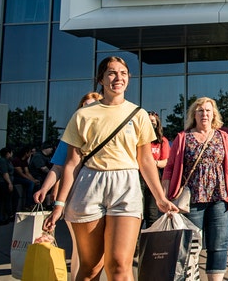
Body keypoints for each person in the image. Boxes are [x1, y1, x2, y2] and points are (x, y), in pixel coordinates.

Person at [42, 57, 178, 281]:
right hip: (90, 183)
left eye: (123, 73)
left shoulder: (139, 115)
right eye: (112, 73)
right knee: (90, 267)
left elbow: (145, 161)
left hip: (126, 185)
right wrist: (59, 205)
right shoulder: (83, 115)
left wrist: (160, 198)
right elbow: (72, 163)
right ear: (101, 79)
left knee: (119, 266)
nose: (118, 78)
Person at [162, 97, 228, 281]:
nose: (204, 114)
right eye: (200, 111)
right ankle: (189, 277)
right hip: (191, 199)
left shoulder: (224, 137)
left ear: (214, 114)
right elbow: (170, 168)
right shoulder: (183, 138)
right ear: (193, 114)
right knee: (190, 244)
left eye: (208, 110)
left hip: (220, 197)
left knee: (218, 244)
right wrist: (165, 196)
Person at [34, 91, 104, 281]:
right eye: (84, 105)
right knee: (81, 249)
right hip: (77, 197)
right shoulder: (71, 135)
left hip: (105, 194)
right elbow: (58, 166)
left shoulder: (108, 132)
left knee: (102, 251)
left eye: (92, 105)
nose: (87, 108)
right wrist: (45, 189)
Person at [143, 111, 170, 227]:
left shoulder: (162, 141)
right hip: (138, 176)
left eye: (153, 121)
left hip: (154, 176)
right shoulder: (140, 140)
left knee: (151, 213)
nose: (150, 124)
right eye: (148, 121)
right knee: (137, 212)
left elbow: (165, 161)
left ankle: (150, 243)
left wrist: (153, 163)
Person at [0, 147, 16, 220]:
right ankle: (8, 215)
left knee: (13, 197)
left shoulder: (7, 161)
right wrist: (9, 183)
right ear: (8, 153)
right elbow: (5, 173)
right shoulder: (2, 161)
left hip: (7, 182)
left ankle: (10, 213)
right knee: (7, 199)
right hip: (2, 182)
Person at [12, 145, 38, 212]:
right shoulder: (16, 160)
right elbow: (21, 174)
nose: (30, 154)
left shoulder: (25, 161)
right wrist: (31, 180)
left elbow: (27, 172)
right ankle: (28, 204)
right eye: (29, 152)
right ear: (26, 153)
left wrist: (34, 180)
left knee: (36, 183)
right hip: (16, 178)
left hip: (23, 178)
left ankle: (34, 203)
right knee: (30, 183)